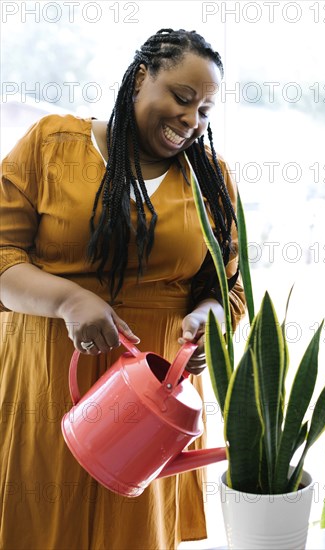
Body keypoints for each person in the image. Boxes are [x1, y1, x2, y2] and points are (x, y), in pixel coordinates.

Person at [0, 28, 246, 550]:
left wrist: (211, 322)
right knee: (37, 525)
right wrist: (69, 299)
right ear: (141, 78)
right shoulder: (50, 144)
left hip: (153, 405)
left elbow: (230, 290)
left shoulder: (212, 180)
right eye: (182, 99)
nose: (191, 121)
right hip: (45, 375)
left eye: (205, 111)